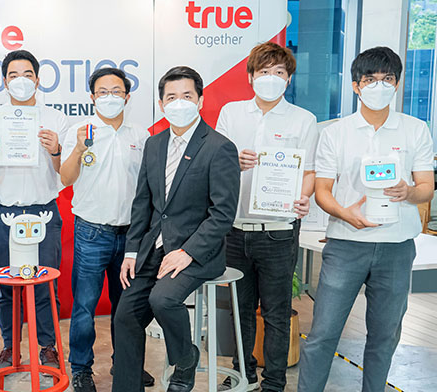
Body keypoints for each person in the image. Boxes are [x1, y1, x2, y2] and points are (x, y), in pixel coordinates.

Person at [298, 46, 434, 392]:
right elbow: (323, 190)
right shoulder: (336, 133)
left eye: (387, 79)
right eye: (370, 79)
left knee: (385, 336)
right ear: (356, 86)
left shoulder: (415, 129)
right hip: (346, 244)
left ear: (397, 84)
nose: (379, 86)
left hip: (396, 247)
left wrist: (408, 192)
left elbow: (426, 188)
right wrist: (346, 214)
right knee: (323, 334)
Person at [112, 66, 240, 392]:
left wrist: (187, 252)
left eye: (187, 96)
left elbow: (222, 214)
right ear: (161, 104)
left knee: (163, 299)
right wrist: (131, 251)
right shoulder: (154, 145)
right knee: (125, 317)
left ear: (200, 100)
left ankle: (185, 360)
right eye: (171, 97)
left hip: (197, 252)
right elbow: (143, 203)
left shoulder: (219, 147)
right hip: (153, 248)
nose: (179, 103)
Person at [215, 42, 318, 392]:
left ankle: (274, 383)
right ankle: (243, 375)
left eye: (279, 72)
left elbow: (309, 172)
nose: (271, 78)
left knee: (276, 312)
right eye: (263, 72)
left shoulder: (303, 120)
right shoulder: (231, 113)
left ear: (288, 79)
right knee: (240, 308)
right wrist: (233, 162)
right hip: (235, 228)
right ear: (250, 77)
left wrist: (303, 196)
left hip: (279, 230)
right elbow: (215, 165)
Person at [0, 50, 69, 370]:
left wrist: (55, 150)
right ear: (4, 81)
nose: (21, 81)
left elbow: (64, 171)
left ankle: (47, 346)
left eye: (27, 74)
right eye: (14, 75)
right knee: (6, 285)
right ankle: (10, 347)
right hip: (4, 213)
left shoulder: (55, 119)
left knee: (45, 285)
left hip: (44, 213)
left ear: (38, 80)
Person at [59, 68, 153, 392]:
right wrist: (78, 149)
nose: (109, 97)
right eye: (102, 92)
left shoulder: (140, 135)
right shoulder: (80, 131)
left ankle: (124, 363)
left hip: (131, 235)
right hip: (91, 232)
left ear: (127, 97)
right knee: (84, 306)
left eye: (116, 91)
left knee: (126, 306)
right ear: (92, 97)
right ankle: (81, 369)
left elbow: (148, 184)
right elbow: (66, 178)